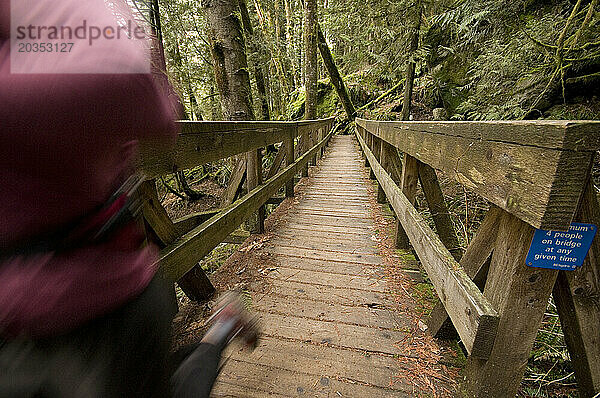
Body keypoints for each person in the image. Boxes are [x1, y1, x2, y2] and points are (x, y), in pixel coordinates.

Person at [0, 0, 256, 396]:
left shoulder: (52, 16)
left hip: (103, 304)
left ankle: (221, 327)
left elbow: (146, 105)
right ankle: (222, 326)